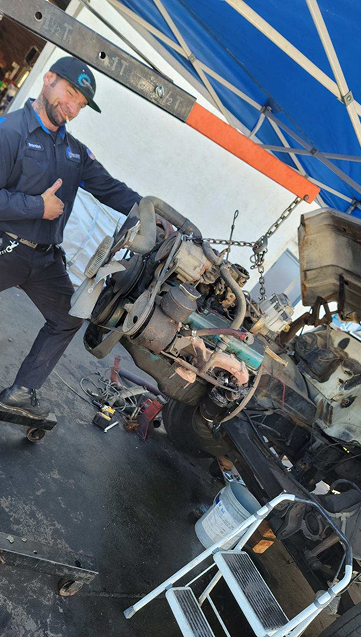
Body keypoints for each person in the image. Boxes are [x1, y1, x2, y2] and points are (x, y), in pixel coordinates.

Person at [0, 56, 141, 420]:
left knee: (67, 317)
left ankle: (20, 393)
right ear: (48, 80)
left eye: (81, 103)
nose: (73, 107)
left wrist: (155, 215)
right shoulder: (10, 132)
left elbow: (110, 189)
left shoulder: (74, 151)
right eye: (70, 93)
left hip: (44, 259)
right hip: (7, 245)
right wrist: (36, 207)